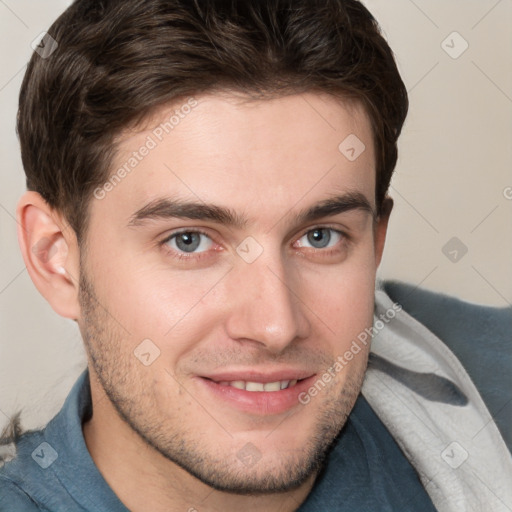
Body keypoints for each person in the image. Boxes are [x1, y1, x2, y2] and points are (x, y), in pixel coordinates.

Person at [0, 0, 511, 511]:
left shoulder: (493, 394)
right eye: (189, 240)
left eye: (320, 237)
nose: (275, 326)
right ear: (56, 259)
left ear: (375, 243)